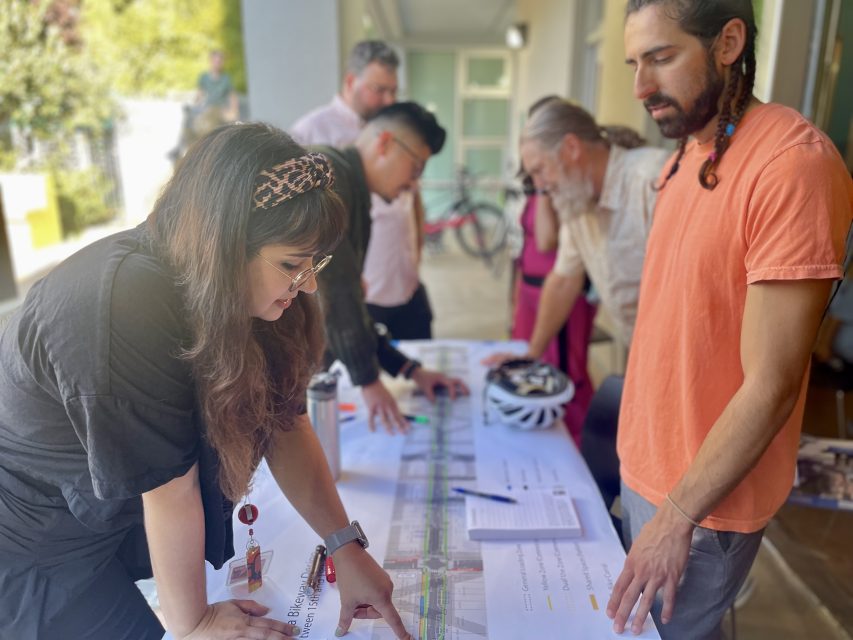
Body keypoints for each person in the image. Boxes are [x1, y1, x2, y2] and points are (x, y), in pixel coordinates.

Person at [0, 123, 413, 640]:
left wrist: (344, 546)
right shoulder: (122, 302)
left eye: (314, 264)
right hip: (34, 534)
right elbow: (170, 491)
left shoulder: (243, 288)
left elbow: (285, 422)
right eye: (292, 264)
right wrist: (194, 623)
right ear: (225, 244)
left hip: (117, 507)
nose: (307, 283)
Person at [608, 1, 853, 637]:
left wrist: (676, 516)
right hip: (647, 468)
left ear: (728, 42)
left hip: (700, 502)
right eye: (635, 63)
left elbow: (772, 383)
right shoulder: (685, 154)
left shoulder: (793, 164)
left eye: (661, 58)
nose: (640, 87)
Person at [486, 99, 669, 506]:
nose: (540, 185)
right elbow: (563, 278)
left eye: (539, 170)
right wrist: (530, 356)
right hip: (643, 359)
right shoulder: (578, 199)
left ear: (571, 148)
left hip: (683, 368)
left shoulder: (653, 179)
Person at [313, 102, 469, 434]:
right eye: (415, 169)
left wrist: (409, 369)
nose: (414, 185)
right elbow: (337, 297)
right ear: (384, 143)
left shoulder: (353, 187)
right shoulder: (329, 180)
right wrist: (369, 383)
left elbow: (352, 302)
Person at [292, 40, 434, 340]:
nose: (387, 100)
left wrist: (416, 256)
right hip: (357, 290)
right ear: (350, 81)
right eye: (379, 89)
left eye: (393, 91)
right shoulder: (312, 134)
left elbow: (413, 201)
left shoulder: (398, 129)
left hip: (405, 282)